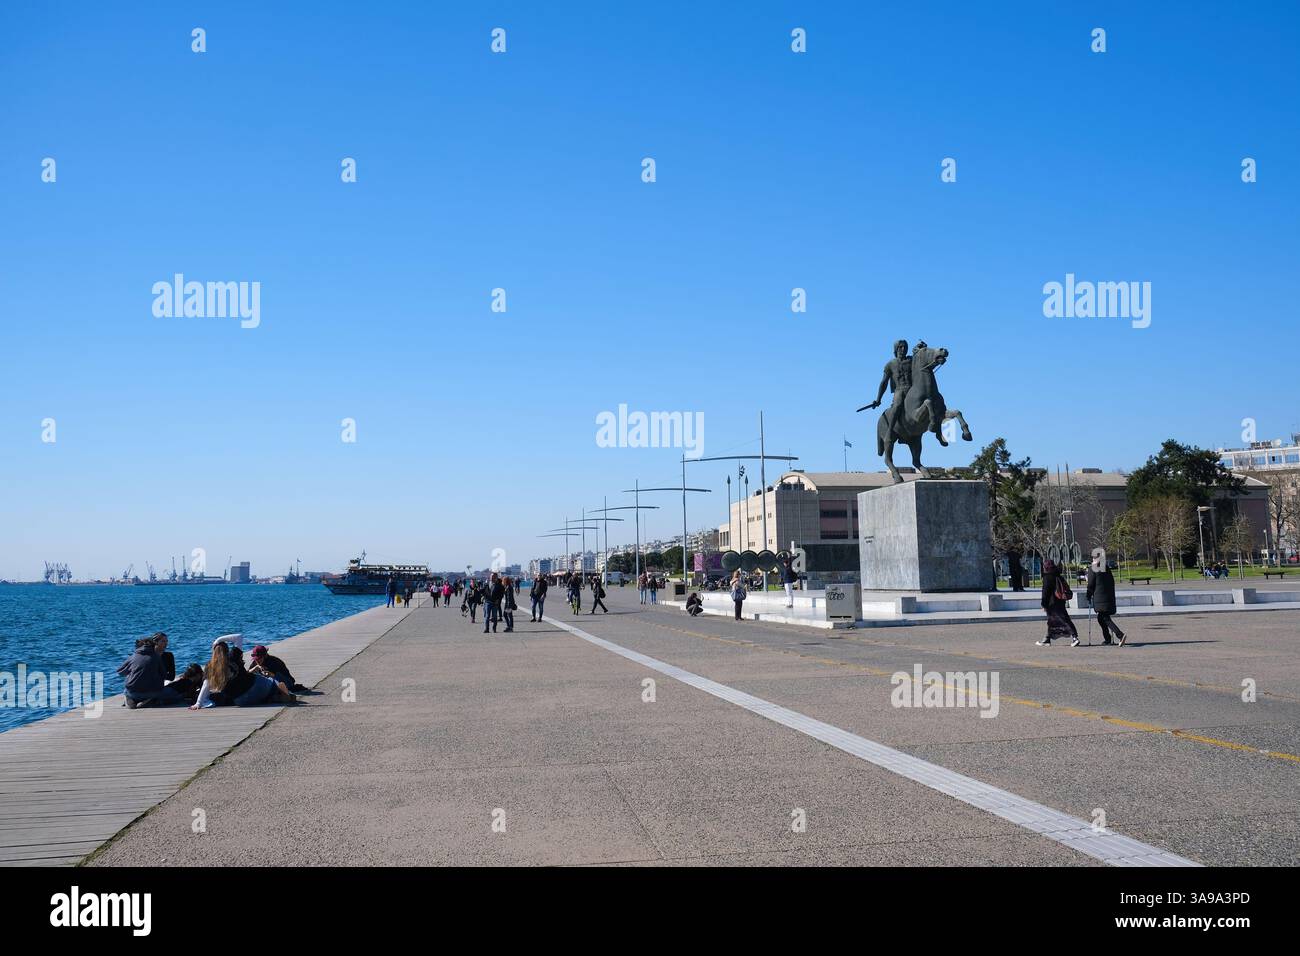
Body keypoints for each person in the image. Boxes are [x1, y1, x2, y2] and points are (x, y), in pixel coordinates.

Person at [117, 638, 185, 708]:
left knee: (126, 691)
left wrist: (132, 673)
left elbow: (120, 672)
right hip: (153, 692)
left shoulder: (132, 657)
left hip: (133, 692)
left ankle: (130, 699)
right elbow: (164, 674)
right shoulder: (156, 657)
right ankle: (154, 702)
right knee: (175, 695)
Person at [1086, 554, 1126, 647]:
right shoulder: (1106, 568)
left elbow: (1091, 585)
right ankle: (1107, 639)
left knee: (1105, 618)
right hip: (1108, 597)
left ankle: (1120, 635)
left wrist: (1088, 595)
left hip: (1100, 598)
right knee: (1101, 618)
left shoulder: (1093, 568)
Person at [1037, 559, 1079, 646]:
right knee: (1053, 621)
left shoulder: (1047, 577)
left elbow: (1045, 592)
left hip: (1052, 603)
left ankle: (1075, 637)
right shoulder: (1058, 575)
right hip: (1060, 601)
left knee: (1062, 620)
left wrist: (1043, 604)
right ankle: (1047, 639)